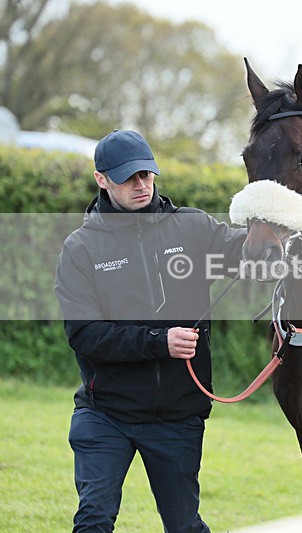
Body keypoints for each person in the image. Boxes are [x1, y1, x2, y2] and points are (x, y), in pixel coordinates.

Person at [54, 129, 245, 532]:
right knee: (93, 520)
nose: (141, 185)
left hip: (178, 416)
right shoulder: (81, 248)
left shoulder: (193, 228)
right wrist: (160, 343)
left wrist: (276, 217)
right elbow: (85, 335)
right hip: (106, 413)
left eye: (146, 174)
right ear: (101, 179)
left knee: (184, 526)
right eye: (128, 177)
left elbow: (251, 254)